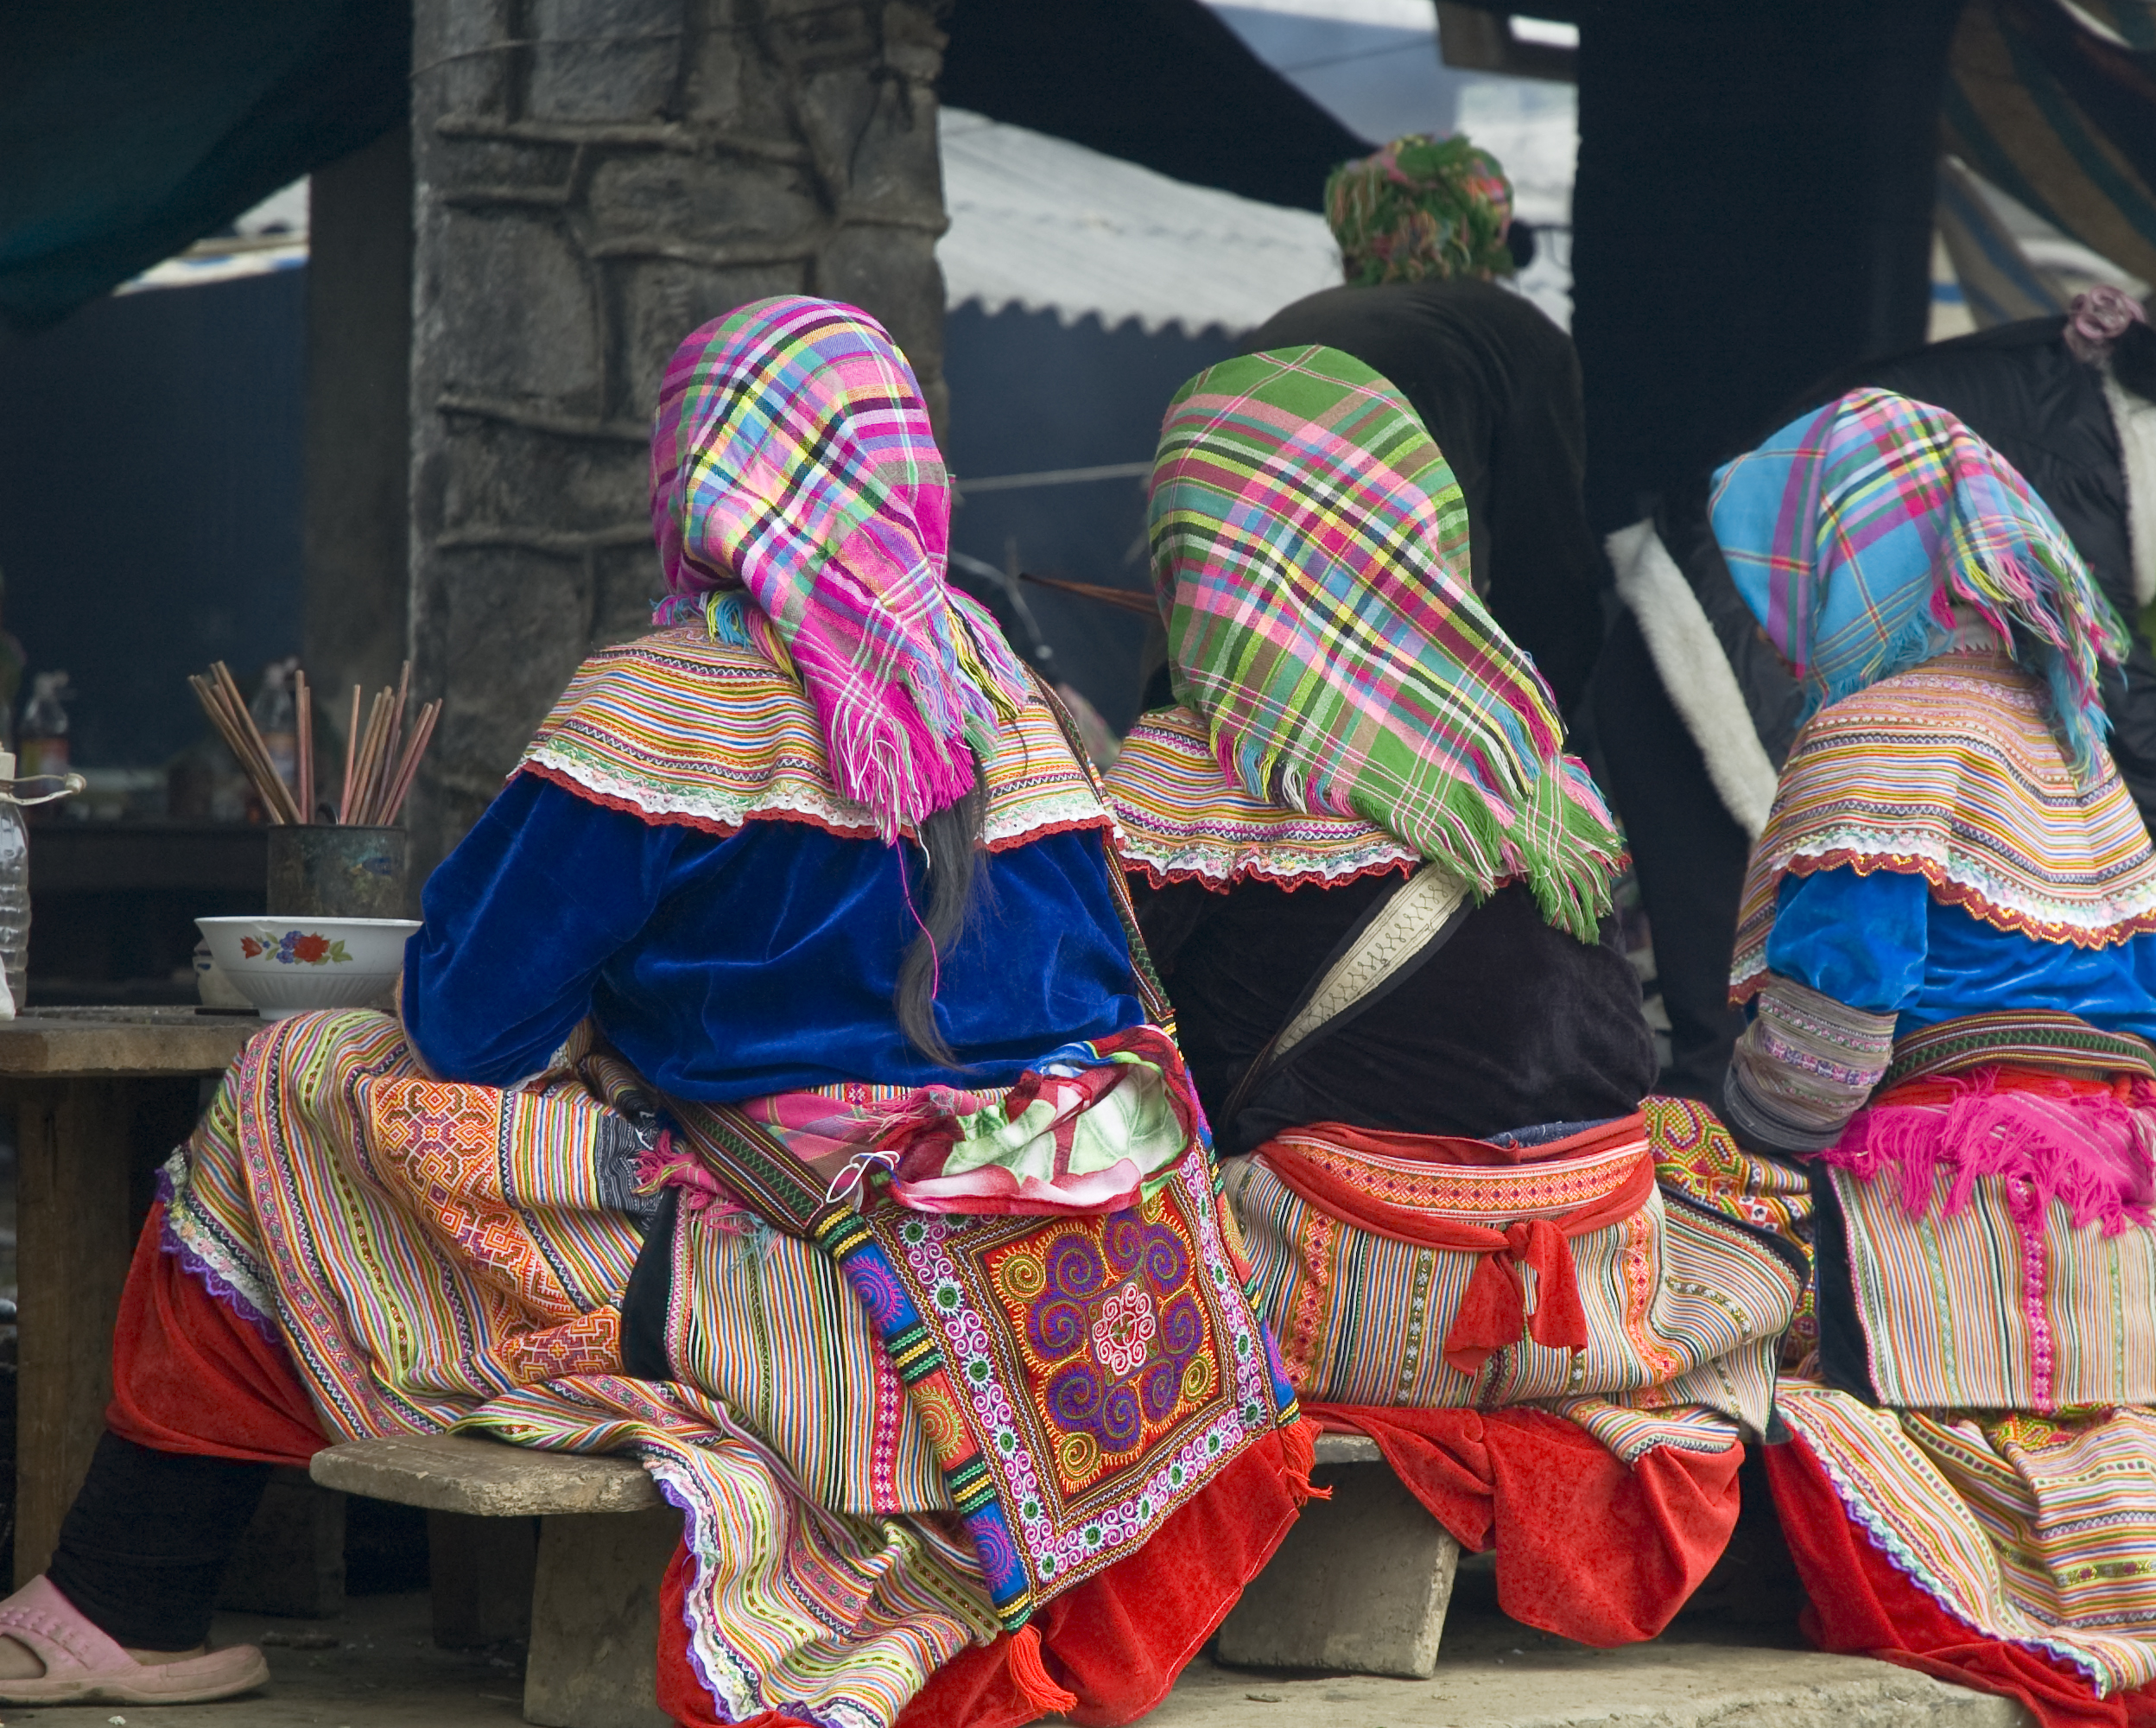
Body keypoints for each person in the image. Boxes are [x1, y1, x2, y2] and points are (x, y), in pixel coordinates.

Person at [0, 297, 1316, 1722]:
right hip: (1061, 1301)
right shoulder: (1000, 682)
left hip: (817, 1293)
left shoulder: (666, 698)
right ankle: (124, 1598)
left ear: (701, 472)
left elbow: (466, 1031)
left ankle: (118, 1597)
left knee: (287, 1080)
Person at [1106, 346, 1810, 1649]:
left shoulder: (1185, 785)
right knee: (1722, 1177)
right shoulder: (1523, 754)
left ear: (1200, 549)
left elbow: (1135, 1074)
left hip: (1345, 1299)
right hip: (1595, 1298)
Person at [1709, 386, 2156, 1725]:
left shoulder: (1882, 732)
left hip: (1950, 1218)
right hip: (2131, 1211)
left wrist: (1732, 1132)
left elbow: (1821, 1049)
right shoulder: (2070, 743)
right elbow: (2150, 1016)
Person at [1595, 289, 2156, 1101]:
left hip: (1753, 632)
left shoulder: (1940, 731)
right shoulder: (1923, 749)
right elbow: (2136, 728)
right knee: (1735, 1018)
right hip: (1712, 644)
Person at [1238, 135, 1605, 715]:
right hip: (1401, 687)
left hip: (1235, 669)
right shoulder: (1509, 329)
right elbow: (1543, 562)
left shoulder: (1277, 331)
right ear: (1487, 229)